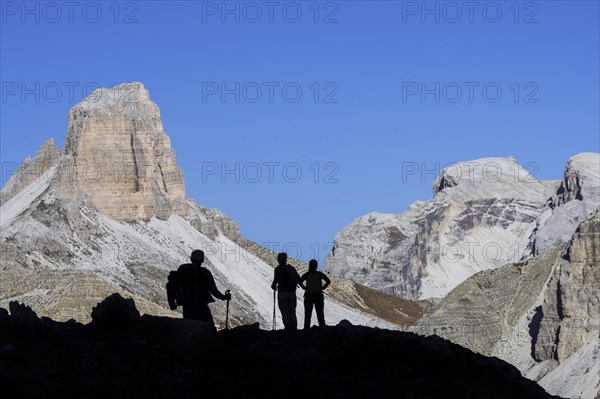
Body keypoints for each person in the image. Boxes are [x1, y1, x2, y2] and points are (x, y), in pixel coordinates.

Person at [167, 249, 231, 325]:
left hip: (187, 306)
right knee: (208, 327)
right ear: (202, 260)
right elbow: (214, 291)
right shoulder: (205, 272)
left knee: (190, 327)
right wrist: (224, 297)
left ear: (191, 258)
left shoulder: (182, 269)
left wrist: (172, 305)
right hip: (201, 306)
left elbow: (173, 285)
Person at [270, 252, 300, 331]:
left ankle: (288, 329)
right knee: (292, 311)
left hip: (282, 293)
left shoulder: (277, 269)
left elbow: (275, 282)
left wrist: (273, 286)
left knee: (285, 312)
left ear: (278, 260)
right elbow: (299, 279)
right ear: (286, 259)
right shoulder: (291, 268)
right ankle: (294, 329)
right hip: (292, 293)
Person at [299, 259, 331, 330]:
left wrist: (305, 288)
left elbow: (299, 281)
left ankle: (306, 331)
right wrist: (322, 288)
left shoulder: (307, 274)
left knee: (307, 315)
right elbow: (328, 281)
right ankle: (322, 330)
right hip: (318, 295)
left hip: (308, 295)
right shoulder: (319, 274)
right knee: (320, 315)